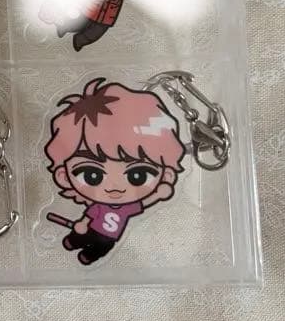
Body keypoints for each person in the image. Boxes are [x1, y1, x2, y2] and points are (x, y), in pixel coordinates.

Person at [44, 78, 186, 265]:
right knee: (81, 237)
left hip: (110, 237)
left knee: (101, 248)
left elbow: (145, 202)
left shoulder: (128, 207)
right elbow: (88, 216)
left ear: (166, 174)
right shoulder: (101, 206)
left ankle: (89, 255)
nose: (115, 187)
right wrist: (82, 224)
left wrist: (159, 193)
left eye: (137, 175)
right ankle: (73, 241)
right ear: (63, 176)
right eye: (92, 175)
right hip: (92, 229)